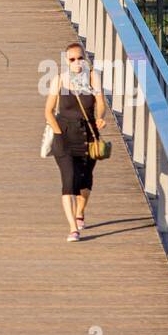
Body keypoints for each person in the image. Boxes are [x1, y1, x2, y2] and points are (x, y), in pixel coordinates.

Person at [44, 42, 107, 241]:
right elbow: (48, 111)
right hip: (64, 135)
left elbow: (101, 103)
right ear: (66, 62)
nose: (77, 62)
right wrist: (58, 134)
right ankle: (73, 228)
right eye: (72, 59)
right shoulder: (60, 80)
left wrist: (100, 117)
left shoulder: (92, 77)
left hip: (88, 134)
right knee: (69, 180)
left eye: (80, 58)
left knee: (85, 180)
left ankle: (80, 211)